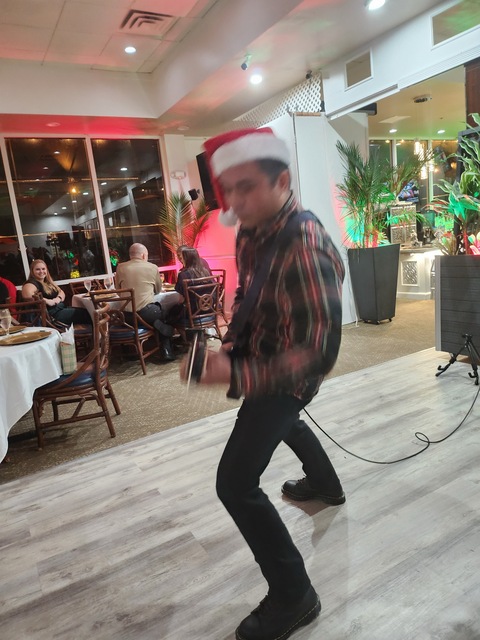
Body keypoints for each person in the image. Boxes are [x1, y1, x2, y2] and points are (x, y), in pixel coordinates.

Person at [184, 127, 345, 640]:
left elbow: (320, 352)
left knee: (235, 482)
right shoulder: (254, 229)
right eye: (229, 189)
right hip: (263, 358)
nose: (235, 201)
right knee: (283, 426)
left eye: (247, 187)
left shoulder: (305, 241)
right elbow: (250, 297)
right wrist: (231, 344)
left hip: (291, 374)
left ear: (282, 180)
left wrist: (238, 372)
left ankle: (295, 595)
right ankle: (326, 485)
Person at [115, 243, 176, 361]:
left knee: (156, 316)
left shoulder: (120, 267)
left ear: (130, 255)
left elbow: (118, 291)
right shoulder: (152, 267)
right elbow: (157, 290)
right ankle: (166, 349)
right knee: (163, 314)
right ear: (143, 255)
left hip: (126, 317)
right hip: (146, 314)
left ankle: (128, 352)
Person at [22, 259, 91, 326]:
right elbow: (28, 295)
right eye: (38, 269)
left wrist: (58, 299)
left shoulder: (47, 282)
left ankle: (91, 332)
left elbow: (61, 292)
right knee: (87, 314)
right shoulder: (31, 283)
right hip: (52, 316)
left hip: (59, 309)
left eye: (43, 269)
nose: (41, 271)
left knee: (88, 312)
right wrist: (48, 301)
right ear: (32, 271)